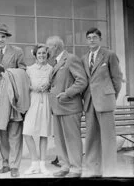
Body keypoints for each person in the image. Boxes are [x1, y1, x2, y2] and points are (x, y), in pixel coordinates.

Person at [0, 23, 26, 178]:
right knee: (1, 131)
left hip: (12, 99)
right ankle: (5, 162)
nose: (0, 39)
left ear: (7, 38)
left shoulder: (17, 52)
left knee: (15, 132)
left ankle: (15, 166)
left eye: (3, 36)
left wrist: (8, 73)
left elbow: (23, 71)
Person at [81, 27, 123, 177]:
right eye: (89, 37)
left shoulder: (109, 55)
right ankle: (93, 170)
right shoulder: (84, 58)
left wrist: (111, 96)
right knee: (91, 137)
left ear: (100, 39)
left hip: (104, 101)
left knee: (108, 137)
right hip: (89, 101)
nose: (91, 40)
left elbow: (117, 79)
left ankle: (110, 171)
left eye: (94, 37)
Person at [46, 36, 87, 178]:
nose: (46, 50)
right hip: (57, 108)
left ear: (55, 47)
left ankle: (76, 169)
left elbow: (81, 81)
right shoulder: (56, 62)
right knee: (60, 139)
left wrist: (67, 93)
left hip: (69, 107)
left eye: (48, 47)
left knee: (72, 139)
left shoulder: (71, 59)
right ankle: (65, 166)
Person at [22, 44, 53, 175]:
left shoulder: (51, 69)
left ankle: (42, 165)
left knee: (43, 133)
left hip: (45, 101)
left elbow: (55, 84)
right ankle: (34, 163)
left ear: (47, 55)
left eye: (44, 53)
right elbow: (24, 85)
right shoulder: (29, 69)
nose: (41, 55)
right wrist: (32, 87)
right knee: (27, 132)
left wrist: (49, 85)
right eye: (39, 53)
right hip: (33, 101)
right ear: (35, 55)